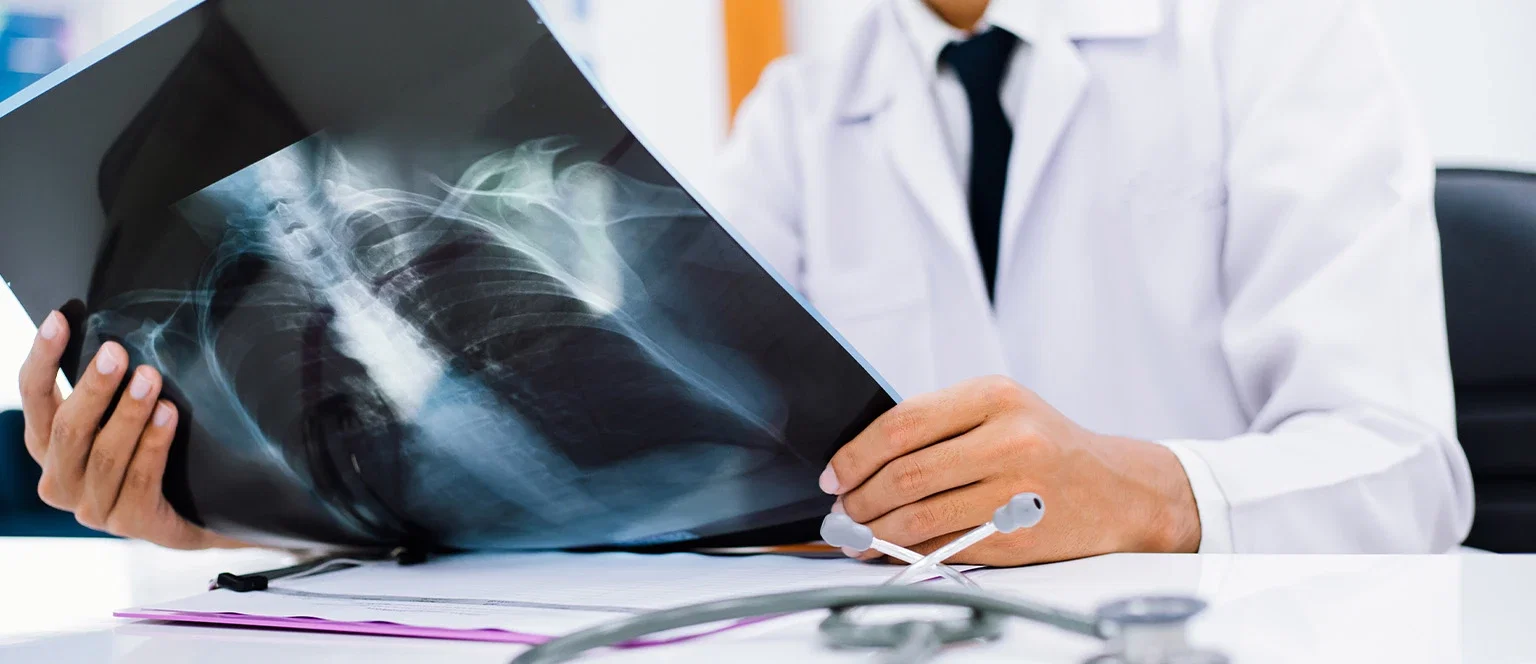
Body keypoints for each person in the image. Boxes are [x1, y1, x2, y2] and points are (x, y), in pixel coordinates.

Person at [18, 0, 1473, 560]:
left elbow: (1410, 473)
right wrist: (219, 503)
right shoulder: (805, 105)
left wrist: (1151, 492)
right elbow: (716, 478)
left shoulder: (1275, 37)